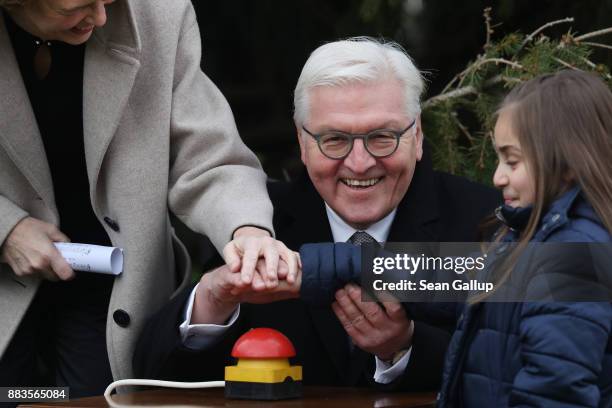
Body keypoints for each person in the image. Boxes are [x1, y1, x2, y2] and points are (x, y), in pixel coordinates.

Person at [134, 37, 499, 390]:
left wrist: (404, 348)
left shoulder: (485, 218)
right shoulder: (260, 221)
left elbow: (518, 366)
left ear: (417, 136)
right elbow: (152, 375)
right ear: (302, 143)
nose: (359, 163)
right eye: (335, 140)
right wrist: (212, 299)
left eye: (383, 136)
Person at [0, 0, 296, 399]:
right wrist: (7, 230)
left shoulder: (160, 13)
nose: (102, 18)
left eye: (108, 1)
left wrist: (246, 228)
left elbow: (207, 153)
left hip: (116, 291)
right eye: (79, 6)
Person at [297, 70, 612, 406]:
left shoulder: (571, 260)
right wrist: (304, 269)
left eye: (513, 161)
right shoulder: (530, 242)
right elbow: (434, 275)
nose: (498, 177)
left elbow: (554, 395)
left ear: (567, 165)